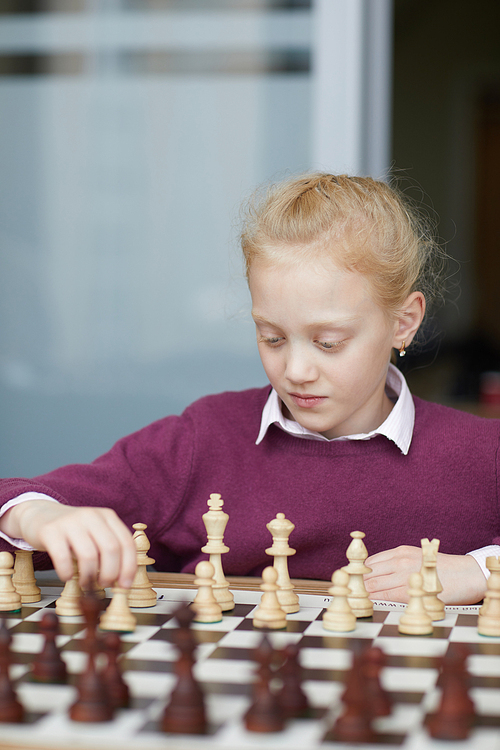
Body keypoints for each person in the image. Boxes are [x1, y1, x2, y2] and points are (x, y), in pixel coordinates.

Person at [0, 173, 498, 605]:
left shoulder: (480, 454)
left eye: (329, 342)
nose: (296, 369)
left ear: (403, 323)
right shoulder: (203, 441)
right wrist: (39, 513)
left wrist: (479, 572)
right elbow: (19, 505)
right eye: (272, 337)